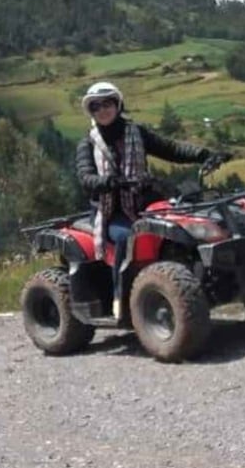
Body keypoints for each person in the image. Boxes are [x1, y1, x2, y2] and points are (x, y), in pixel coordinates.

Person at [73, 81, 231, 318]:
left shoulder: (137, 133)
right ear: (91, 112)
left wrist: (205, 155)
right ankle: (120, 299)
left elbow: (171, 149)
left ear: (118, 104)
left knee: (184, 224)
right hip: (111, 211)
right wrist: (107, 182)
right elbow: (85, 177)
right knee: (128, 238)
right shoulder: (87, 144)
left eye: (108, 103)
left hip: (145, 203)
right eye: (96, 106)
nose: (103, 110)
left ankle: (195, 281)